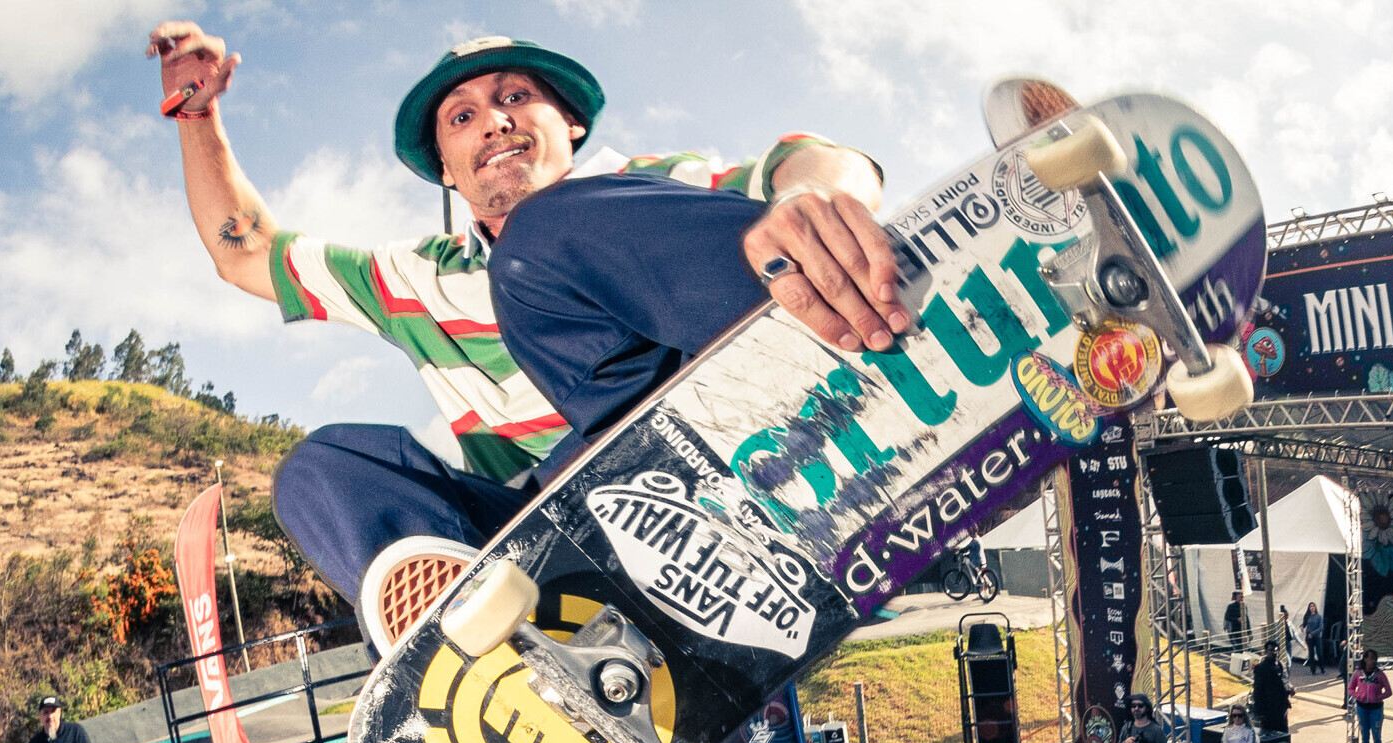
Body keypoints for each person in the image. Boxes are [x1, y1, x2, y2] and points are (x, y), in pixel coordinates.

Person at [146, 24, 901, 654]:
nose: (495, 121)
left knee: (543, 237)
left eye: (514, 98)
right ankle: (488, 647)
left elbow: (816, 159)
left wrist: (811, 198)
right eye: (463, 117)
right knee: (319, 469)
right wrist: (195, 116)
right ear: (447, 168)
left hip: (734, 453)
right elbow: (243, 249)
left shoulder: (658, 182)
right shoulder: (413, 280)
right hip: (562, 545)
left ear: (568, 123)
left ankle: (880, 335)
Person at [1347, 649, 1392, 743]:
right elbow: (1350, 688)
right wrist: (1358, 696)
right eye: (1370, 658)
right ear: (1365, 659)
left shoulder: (1380, 674)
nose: (1372, 661)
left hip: (1376, 709)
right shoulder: (1358, 673)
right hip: (1362, 708)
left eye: (1374, 658)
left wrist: (1378, 698)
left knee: (1377, 738)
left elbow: (1388, 691)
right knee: (1364, 738)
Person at [1250, 641, 1294, 743]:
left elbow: (1285, 681)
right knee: (1270, 738)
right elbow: (1258, 691)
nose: (1274, 653)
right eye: (1271, 650)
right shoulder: (1261, 668)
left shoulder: (1281, 665)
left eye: (1276, 650)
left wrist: (1290, 689)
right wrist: (1260, 712)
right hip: (1268, 710)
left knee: (1283, 736)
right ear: (1266, 651)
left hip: (1281, 708)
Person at [1302, 603, 1326, 675]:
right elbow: (1304, 624)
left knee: (1319, 653)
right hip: (1309, 637)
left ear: (1315, 607)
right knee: (1311, 654)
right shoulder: (1307, 616)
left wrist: (1312, 634)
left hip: (1316, 637)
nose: (1312, 608)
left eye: (1313, 606)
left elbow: (1321, 627)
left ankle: (1322, 669)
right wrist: (1302, 627)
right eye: (1310, 607)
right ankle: (1313, 670)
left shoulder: (1318, 617)